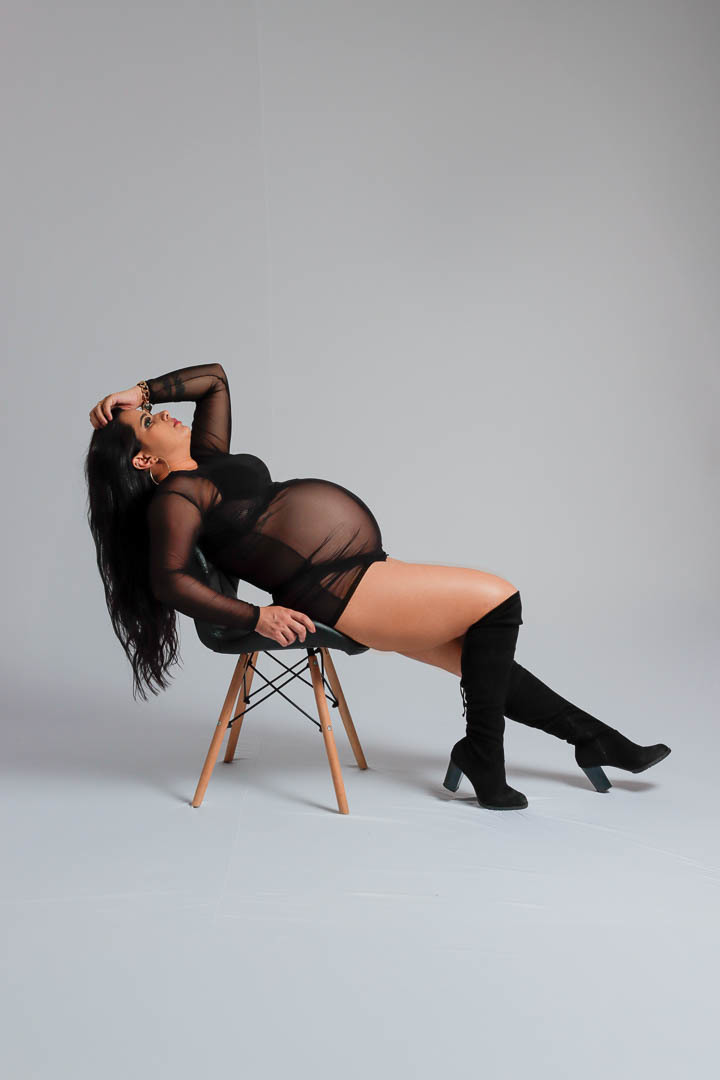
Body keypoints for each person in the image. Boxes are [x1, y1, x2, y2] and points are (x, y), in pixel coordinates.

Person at [86, 363, 671, 811]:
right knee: (499, 600)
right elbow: (169, 580)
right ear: (141, 461)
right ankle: (484, 760)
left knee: (480, 661)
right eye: (149, 423)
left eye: (155, 411)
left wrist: (138, 392)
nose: (163, 416)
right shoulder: (177, 497)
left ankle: (594, 740)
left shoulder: (206, 461)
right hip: (340, 591)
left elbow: (213, 380)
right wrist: (255, 617)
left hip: (357, 575)